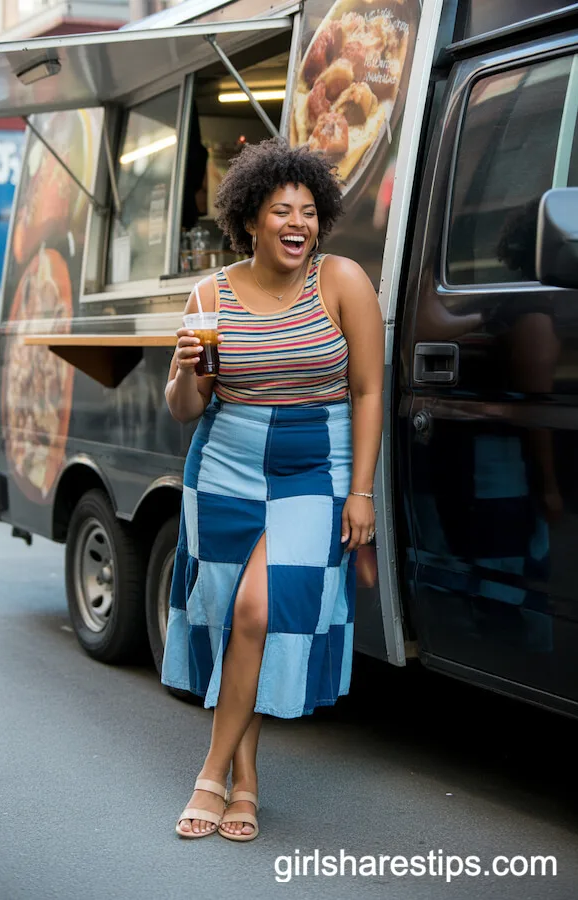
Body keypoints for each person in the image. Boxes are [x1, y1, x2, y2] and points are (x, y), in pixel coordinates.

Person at [162, 137, 384, 842]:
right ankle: (247, 780)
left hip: (312, 469)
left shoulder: (342, 280)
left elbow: (371, 389)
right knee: (235, 618)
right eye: (282, 210)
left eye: (310, 212)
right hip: (223, 465)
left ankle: (208, 773)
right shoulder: (211, 294)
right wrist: (187, 372)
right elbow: (187, 409)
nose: (298, 223)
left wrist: (362, 491)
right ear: (251, 219)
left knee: (261, 608)